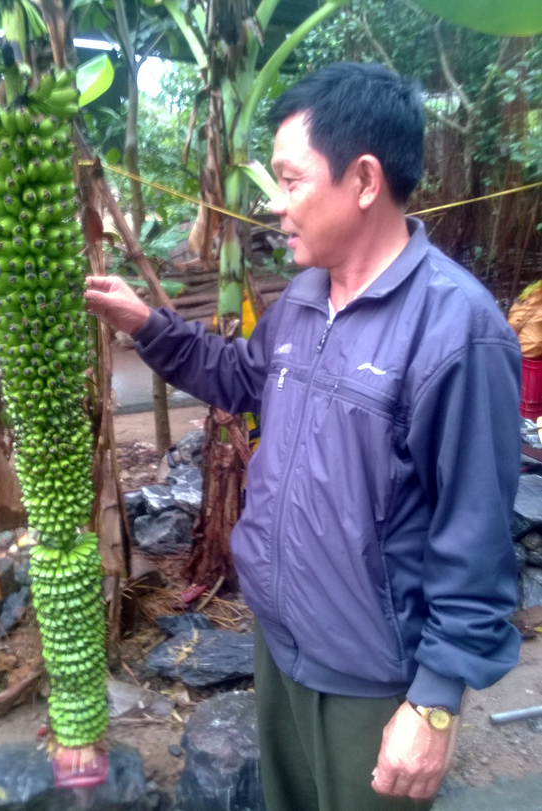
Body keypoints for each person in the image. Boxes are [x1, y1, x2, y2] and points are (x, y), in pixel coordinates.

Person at [85, 62, 522, 811]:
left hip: (370, 671)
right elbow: (238, 378)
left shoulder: (456, 331)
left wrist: (435, 700)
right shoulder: (303, 296)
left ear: (363, 180)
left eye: (290, 181)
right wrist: (147, 325)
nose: (275, 204)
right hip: (280, 636)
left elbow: (474, 533)